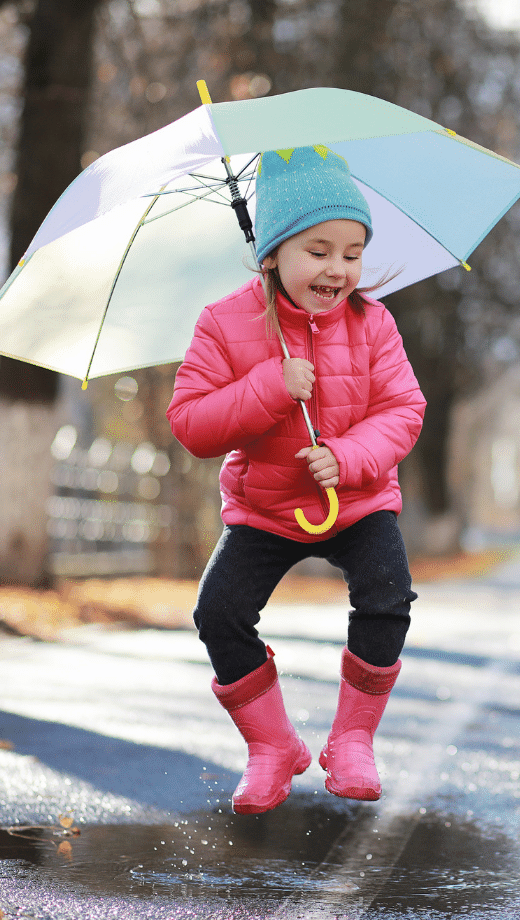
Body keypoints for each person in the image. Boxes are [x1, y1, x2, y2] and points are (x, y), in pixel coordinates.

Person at [166, 145, 426, 814]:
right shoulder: (224, 323)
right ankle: (272, 746)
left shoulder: (374, 323)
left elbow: (404, 409)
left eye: (352, 252)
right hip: (268, 506)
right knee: (217, 613)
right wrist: (267, 386)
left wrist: (346, 457)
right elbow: (192, 424)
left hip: (358, 499)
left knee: (387, 592)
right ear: (273, 252)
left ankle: (352, 742)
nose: (338, 269)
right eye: (319, 250)